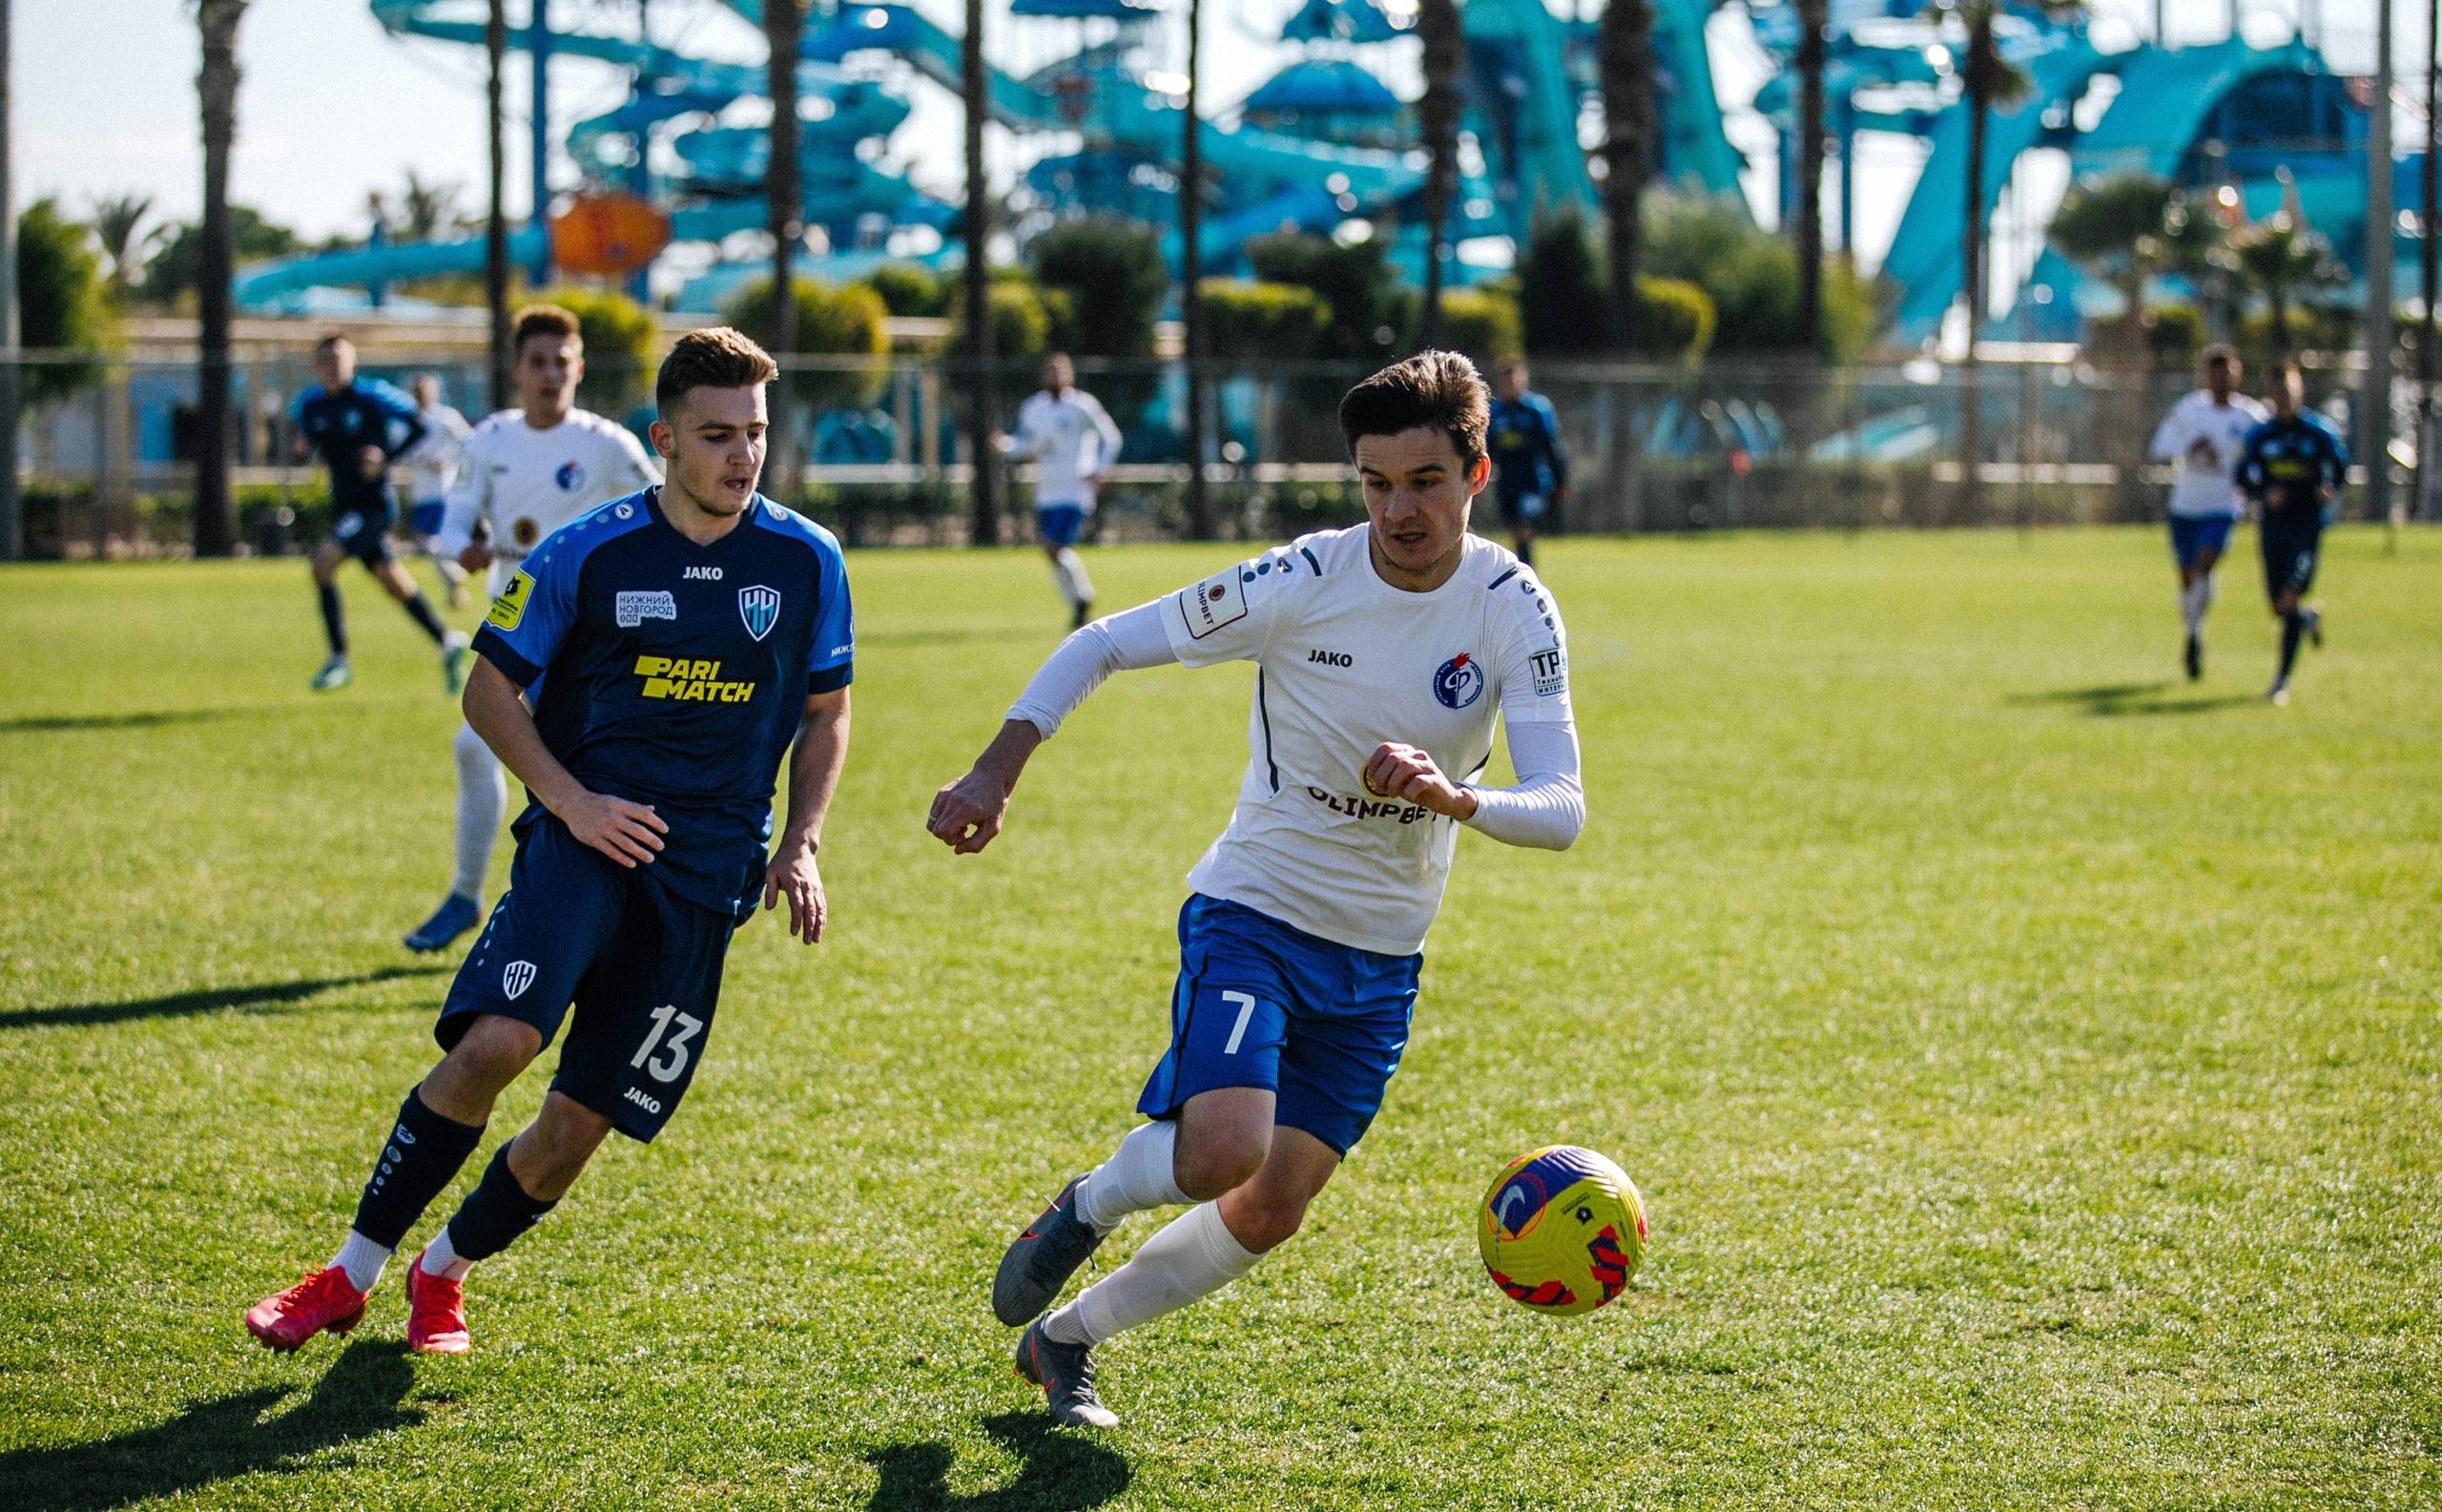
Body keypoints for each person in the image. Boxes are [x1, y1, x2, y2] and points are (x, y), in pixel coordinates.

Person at [929, 350, 1584, 1428]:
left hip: (1383, 955)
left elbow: (1562, 805)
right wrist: (995, 769)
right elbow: (1100, 642)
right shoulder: (1299, 582)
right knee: (1221, 1148)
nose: (1397, 509)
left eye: (1423, 481)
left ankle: (1063, 1342)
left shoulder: (1513, 603)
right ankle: (1084, 1205)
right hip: (1257, 911)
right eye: (1375, 482)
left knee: (1272, 1203)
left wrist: (1457, 799)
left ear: (1475, 474)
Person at [244, 327, 854, 1356]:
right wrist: (571, 803)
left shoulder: (805, 558)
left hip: (707, 874)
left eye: (753, 433)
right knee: (499, 1041)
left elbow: (827, 712)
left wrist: (801, 841)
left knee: (576, 1126)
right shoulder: (587, 551)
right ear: (663, 438)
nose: (741, 456)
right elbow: (490, 691)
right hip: (588, 840)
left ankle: (443, 1273)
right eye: (716, 436)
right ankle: (346, 1274)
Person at [402, 305, 666, 955]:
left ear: (579, 368)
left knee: (585, 773)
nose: (551, 374)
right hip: (517, 631)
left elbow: (670, 511)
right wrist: (459, 549)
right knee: (480, 751)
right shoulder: (488, 440)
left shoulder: (607, 444)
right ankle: (469, 897)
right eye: (538, 362)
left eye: (563, 362)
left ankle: (611, 914)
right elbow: (455, 523)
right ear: (517, 370)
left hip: (594, 640)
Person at [291, 335, 466, 694]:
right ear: (315, 366)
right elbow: (306, 444)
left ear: (353, 362)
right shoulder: (311, 405)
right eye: (325, 359)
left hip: (372, 506)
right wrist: (302, 449)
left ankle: (337, 659)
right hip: (343, 504)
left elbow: (419, 424)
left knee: (321, 566)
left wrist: (386, 457)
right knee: (394, 582)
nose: (332, 366)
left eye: (339, 358)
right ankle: (447, 642)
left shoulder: (372, 396)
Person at [2146, 345, 2266, 680]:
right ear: (2205, 377)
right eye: (2215, 373)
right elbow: (2160, 446)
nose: (2221, 379)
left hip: (2222, 506)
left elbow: (2263, 457)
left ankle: (2194, 633)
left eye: (2227, 372)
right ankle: (2194, 635)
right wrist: (2190, 446)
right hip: (2186, 506)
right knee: (2189, 577)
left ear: (2238, 375)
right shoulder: (2189, 409)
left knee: (2205, 562)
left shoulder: (2250, 417)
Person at [2234, 361, 2349, 706]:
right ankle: (2306, 618)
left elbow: (2341, 469)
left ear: (2299, 390)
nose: (2284, 397)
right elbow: (2242, 475)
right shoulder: (2260, 435)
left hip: (2306, 526)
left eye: (2289, 390)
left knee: (2288, 596)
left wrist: (2328, 488)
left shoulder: (2319, 432)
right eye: (2277, 391)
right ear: (2270, 393)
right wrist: (2263, 494)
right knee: (2277, 606)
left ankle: (2281, 680)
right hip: (2273, 526)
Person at [995, 353, 1122, 629]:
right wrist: (1004, 445)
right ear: (1043, 376)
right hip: (1047, 490)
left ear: (1069, 375)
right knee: (1050, 552)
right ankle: (1078, 603)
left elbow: (1111, 437)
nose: (1055, 376)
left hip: (1074, 490)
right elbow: (1026, 445)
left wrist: (1099, 469)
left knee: (1054, 547)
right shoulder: (1033, 408)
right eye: (1050, 371)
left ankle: (1083, 597)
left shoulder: (1082, 406)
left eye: (1060, 371)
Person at [398, 373, 477, 610]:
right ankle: (454, 579)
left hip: (443, 491)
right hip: (420, 491)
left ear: (433, 391)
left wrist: (447, 460)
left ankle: (455, 577)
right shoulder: (409, 420)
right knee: (429, 544)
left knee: (434, 543)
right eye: (417, 390)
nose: (420, 394)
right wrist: (418, 459)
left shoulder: (445, 417)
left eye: (425, 389)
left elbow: (470, 442)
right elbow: (401, 452)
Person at [1484, 359, 1569, 568]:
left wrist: (1561, 480)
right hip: (1507, 484)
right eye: (1505, 382)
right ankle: (1522, 577)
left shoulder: (1536, 410)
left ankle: (1527, 582)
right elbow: (1487, 450)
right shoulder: (1495, 412)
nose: (1509, 386)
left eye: (1513, 381)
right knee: (1516, 533)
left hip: (1533, 483)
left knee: (1524, 530)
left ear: (1523, 381)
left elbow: (1552, 446)